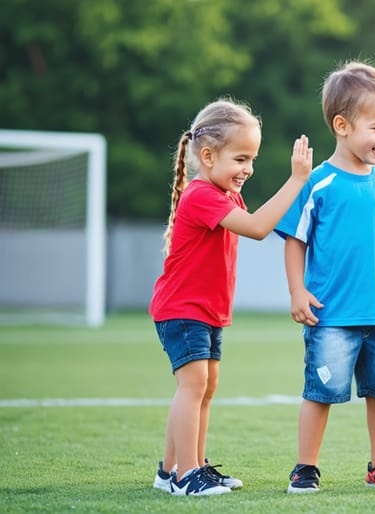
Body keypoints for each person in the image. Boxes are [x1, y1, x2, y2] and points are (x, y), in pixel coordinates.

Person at [275, 61, 375, 494]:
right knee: (320, 393)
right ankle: (305, 468)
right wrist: (297, 291)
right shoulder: (318, 183)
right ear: (342, 125)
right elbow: (294, 239)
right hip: (330, 315)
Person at [150, 98, 314, 495]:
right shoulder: (202, 194)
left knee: (204, 386)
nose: (249, 169)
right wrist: (296, 180)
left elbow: (256, 222)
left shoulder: (224, 195)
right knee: (193, 386)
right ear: (207, 156)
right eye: (241, 159)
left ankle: (176, 469)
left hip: (206, 311)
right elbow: (258, 228)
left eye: (252, 159)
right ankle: (187, 475)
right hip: (182, 309)